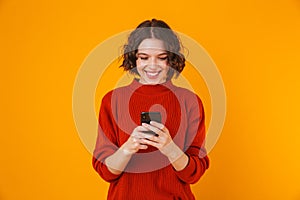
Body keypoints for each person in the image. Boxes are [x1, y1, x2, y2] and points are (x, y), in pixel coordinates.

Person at [92, 19, 209, 200]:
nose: (152, 65)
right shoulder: (112, 100)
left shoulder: (190, 101)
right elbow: (107, 173)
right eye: (144, 57)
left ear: (171, 59)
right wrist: (128, 148)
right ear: (134, 58)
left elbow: (193, 174)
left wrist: (169, 148)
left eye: (161, 58)